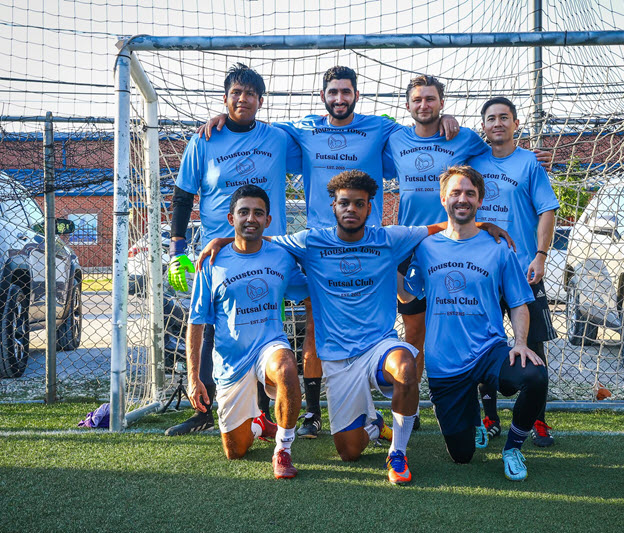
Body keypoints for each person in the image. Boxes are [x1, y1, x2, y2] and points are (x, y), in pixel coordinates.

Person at [200, 66, 462, 439]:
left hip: (374, 245)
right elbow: (254, 127)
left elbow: (420, 129)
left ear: (356, 95)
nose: (340, 98)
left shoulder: (380, 128)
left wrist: (444, 119)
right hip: (318, 248)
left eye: (346, 92)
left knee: (407, 322)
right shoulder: (302, 128)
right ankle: (311, 413)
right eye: (333, 92)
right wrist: (226, 119)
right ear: (323, 96)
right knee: (314, 329)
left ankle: (404, 402)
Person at [200, 169, 508, 484]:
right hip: (337, 359)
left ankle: (398, 453)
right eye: (344, 203)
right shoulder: (310, 241)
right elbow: (258, 237)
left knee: (405, 365)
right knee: (349, 452)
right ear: (333, 206)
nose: (351, 209)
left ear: (369, 208)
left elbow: (438, 226)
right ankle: (373, 424)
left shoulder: (389, 239)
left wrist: (482, 224)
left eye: (359, 204)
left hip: (379, 346)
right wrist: (223, 240)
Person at [165, 63, 301, 436]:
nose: (243, 99)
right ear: (225, 99)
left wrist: (366, 125)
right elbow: (181, 197)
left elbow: (320, 134)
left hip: (267, 250)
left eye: (250, 94)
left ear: (261, 100)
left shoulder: (277, 138)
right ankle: (205, 408)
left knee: (264, 325)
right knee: (210, 327)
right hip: (217, 254)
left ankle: (269, 412)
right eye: (235, 93)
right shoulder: (205, 140)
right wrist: (178, 251)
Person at [398, 165, 548, 481]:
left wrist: (520, 343)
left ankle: (513, 448)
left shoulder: (498, 247)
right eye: (455, 192)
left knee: (534, 375)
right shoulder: (425, 248)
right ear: (443, 198)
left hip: (488, 350)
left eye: (470, 193)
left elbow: (520, 303)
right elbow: (408, 296)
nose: (462, 198)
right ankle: (474, 419)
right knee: (462, 456)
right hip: (444, 362)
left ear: (479, 200)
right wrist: (391, 271)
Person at [383, 75, 489, 432]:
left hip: (453, 246)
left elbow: (497, 161)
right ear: (408, 105)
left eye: (431, 99)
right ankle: (410, 406)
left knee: (460, 328)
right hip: (411, 251)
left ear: (442, 103)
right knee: (414, 332)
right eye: (418, 100)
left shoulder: (463, 137)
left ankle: (473, 411)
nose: (424, 105)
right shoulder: (394, 138)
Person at [187, 185, 307, 479]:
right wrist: (193, 379)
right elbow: (196, 322)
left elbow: (308, 293)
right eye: (243, 212)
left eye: (258, 212)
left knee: (288, 367)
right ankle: (258, 424)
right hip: (232, 360)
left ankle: (283, 449)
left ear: (268, 220)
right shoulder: (212, 262)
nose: (250, 218)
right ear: (231, 218)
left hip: (270, 346)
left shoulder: (282, 256)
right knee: (235, 451)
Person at [468, 97, 560, 446]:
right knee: (485, 343)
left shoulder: (529, 164)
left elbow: (547, 211)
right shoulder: (472, 163)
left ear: (515, 123)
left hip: (523, 269)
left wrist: (540, 256)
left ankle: (538, 419)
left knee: (534, 343)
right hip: (482, 270)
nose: (497, 124)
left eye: (504, 117)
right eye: (491, 118)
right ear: (484, 126)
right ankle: (489, 416)